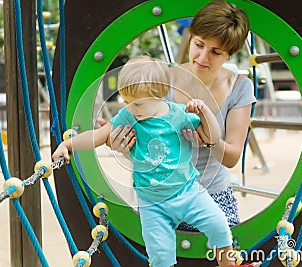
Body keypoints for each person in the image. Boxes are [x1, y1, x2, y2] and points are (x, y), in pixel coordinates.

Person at [53, 56, 258, 267]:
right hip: (152, 204)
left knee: (219, 227)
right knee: (160, 256)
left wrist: (205, 112)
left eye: (138, 103)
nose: (131, 108)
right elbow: (98, 135)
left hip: (188, 193)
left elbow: (212, 136)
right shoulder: (128, 116)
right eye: (126, 101)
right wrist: (67, 145)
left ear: (159, 95)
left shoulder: (178, 114)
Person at [103, 0, 255, 229]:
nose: (203, 57)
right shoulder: (164, 80)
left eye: (215, 52)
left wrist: (210, 140)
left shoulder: (239, 88)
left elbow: (232, 157)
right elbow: (148, 142)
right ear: (192, 37)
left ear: (229, 55)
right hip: (162, 195)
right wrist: (122, 145)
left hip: (213, 195)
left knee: (224, 251)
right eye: (199, 44)